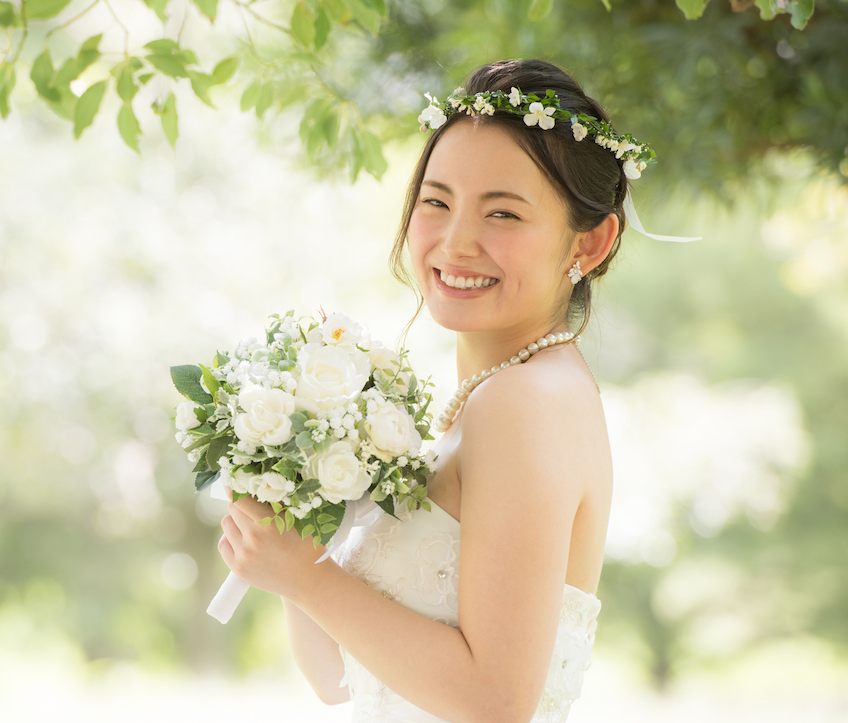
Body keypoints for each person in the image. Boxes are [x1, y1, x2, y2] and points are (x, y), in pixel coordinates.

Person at [218, 58, 626, 723]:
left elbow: (495, 701)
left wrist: (306, 575)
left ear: (589, 243)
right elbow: (339, 678)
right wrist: (287, 504)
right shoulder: (498, 396)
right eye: (436, 201)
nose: (456, 241)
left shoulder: (521, 402)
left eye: (503, 213)